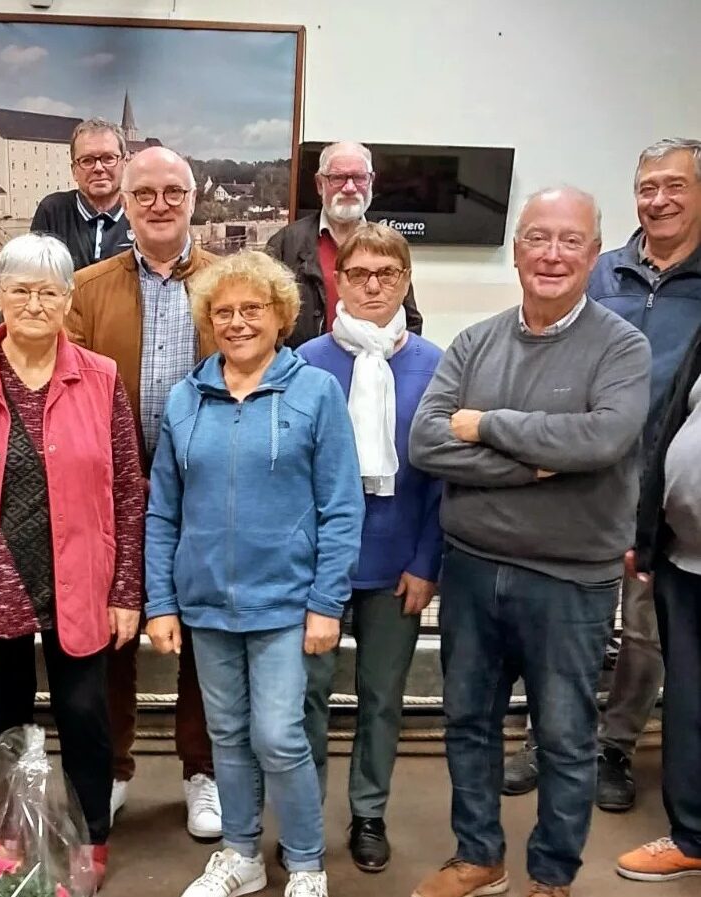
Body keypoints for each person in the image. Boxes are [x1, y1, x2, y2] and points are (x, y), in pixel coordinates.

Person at [409, 187, 651, 897]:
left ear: (592, 253)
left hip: (571, 581)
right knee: (469, 724)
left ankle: (552, 875)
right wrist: (542, 459)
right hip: (473, 570)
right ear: (517, 249)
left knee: (567, 740)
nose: (551, 254)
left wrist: (484, 424)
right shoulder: (476, 340)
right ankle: (479, 857)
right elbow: (427, 440)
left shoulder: (621, 347)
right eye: (538, 238)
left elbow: (603, 437)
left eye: (570, 240)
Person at [0, 233, 145, 886]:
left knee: (84, 714)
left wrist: (126, 589)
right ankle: (6, 834)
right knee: (4, 718)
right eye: (20, 289)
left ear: (69, 299)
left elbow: (128, 489)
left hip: (80, 576)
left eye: (49, 290)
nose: (35, 302)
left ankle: (89, 836)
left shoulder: (100, 379)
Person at [145, 249, 363, 897]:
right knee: (228, 735)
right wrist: (161, 601)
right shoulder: (187, 398)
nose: (237, 322)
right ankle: (240, 854)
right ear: (209, 321)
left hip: (287, 605)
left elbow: (341, 505)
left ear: (281, 315)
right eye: (224, 312)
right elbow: (163, 511)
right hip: (206, 605)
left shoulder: (315, 392)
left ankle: (304, 863)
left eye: (252, 309)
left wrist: (327, 602)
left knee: (279, 735)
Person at [504, 138, 701, 811]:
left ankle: (614, 743)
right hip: (581, 476)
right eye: (647, 186)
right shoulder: (604, 269)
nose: (658, 199)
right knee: (560, 615)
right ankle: (546, 735)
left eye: (674, 186)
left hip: (669, 492)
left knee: (643, 629)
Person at [67, 146, 220, 838]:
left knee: (208, 636)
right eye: (144, 192)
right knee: (112, 636)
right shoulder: (87, 286)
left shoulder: (229, 281)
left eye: (173, 191)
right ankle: (116, 768)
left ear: (194, 198)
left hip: (210, 492)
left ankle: (203, 772)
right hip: (112, 495)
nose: (159, 203)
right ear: (122, 202)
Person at [297, 222, 443, 873]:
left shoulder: (435, 366)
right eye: (360, 273)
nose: (374, 283)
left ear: (406, 280)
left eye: (388, 272)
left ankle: (368, 812)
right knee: (306, 698)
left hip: (396, 566)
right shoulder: (305, 362)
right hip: (316, 569)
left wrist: (426, 562)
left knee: (382, 697)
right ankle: (303, 817)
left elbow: (444, 477)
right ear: (339, 281)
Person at [616, 320, 701, 883]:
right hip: (685, 561)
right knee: (689, 705)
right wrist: (649, 537)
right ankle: (692, 835)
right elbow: (672, 427)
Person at [266, 140, 422, 347]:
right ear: (320, 184)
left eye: (358, 178)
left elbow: (410, 320)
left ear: (371, 181)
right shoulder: (285, 244)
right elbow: (265, 318)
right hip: (305, 371)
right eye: (338, 178)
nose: (349, 188)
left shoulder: (390, 246)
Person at [31, 118, 132, 270]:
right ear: (74, 171)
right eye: (87, 160)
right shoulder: (52, 211)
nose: (98, 168)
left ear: (125, 164)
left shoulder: (141, 213)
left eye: (109, 158)